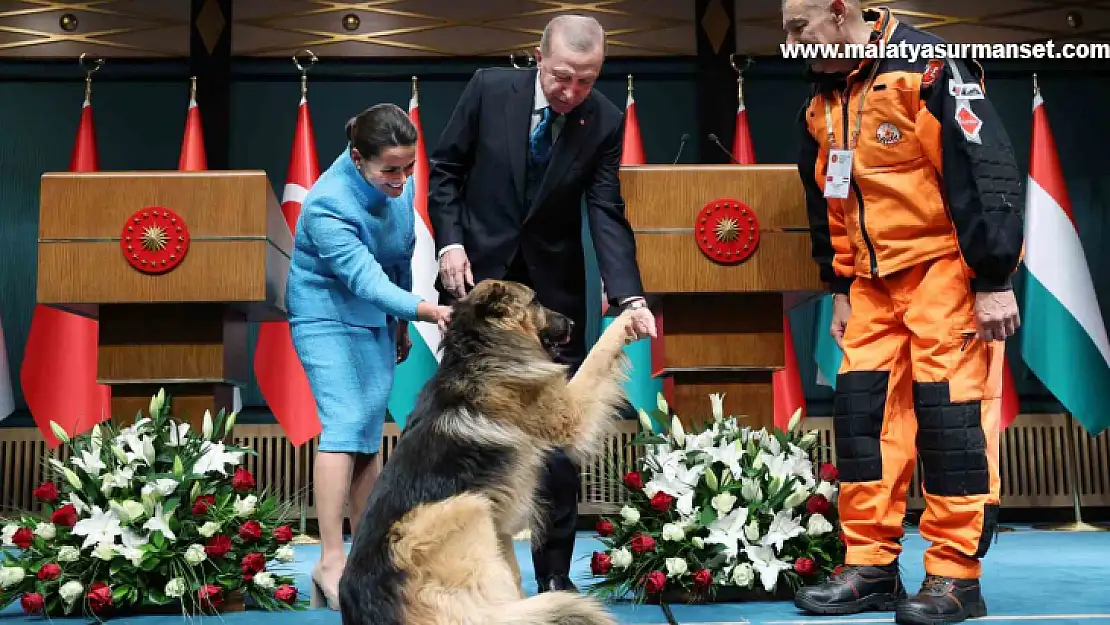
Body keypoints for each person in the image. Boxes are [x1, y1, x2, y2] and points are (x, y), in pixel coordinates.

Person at [784, 2, 1024, 624]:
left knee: (949, 423)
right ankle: (871, 568)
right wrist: (838, 282)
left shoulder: (929, 69)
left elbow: (985, 170)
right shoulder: (823, 99)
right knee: (862, 422)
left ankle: (954, 578)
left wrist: (994, 278)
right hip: (870, 285)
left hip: (943, 272)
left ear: (838, 12)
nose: (791, 42)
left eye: (798, 28)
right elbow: (827, 198)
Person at [427, 14, 657, 593]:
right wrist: (450, 243)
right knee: (467, 434)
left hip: (550, 302)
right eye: (561, 78)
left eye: (586, 80)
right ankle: (466, 569)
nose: (571, 92)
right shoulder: (487, 89)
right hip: (477, 293)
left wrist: (628, 294)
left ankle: (554, 576)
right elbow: (446, 173)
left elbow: (605, 211)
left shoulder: (603, 119)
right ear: (537, 57)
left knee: (556, 439)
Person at [285, 103, 453, 610]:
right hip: (324, 317)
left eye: (409, 167)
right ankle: (330, 559)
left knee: (367, 431)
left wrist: (400, 323)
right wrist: (431, 311)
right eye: (391, 170)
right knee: (344, 424)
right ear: (359, 158)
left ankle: (367, 559)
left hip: (378, 316)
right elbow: (364, 278)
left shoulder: (394, 191)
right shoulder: (328, 203)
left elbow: (399, 259)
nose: (402, 180)